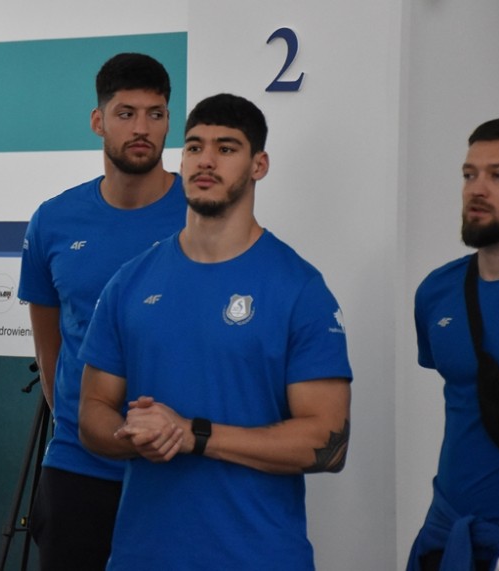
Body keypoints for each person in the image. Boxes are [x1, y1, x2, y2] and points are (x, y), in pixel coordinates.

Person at [78, 93, 352, 570]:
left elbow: (329, 443)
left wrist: (194, 435)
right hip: (143, 556)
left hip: (259, 558)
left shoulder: (299, 288)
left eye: (226, 148)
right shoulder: (130, 281)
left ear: (259, 165)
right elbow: (92, 412)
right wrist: (138, 436)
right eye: (194, 147)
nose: (206, 160)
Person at [17, 52, 186, 569]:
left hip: (179, 465)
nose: (142, 129)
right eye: (125, 113)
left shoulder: (202, 213)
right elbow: (50, 345)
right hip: (78, 465)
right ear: (98, 121)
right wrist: (80, 419)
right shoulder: (53, 220)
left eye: (155, 114)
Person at [408, 118, 499, 571]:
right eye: (469, 175)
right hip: (450, 536)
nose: (476, 190)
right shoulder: (436, 291)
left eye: (498, 175)